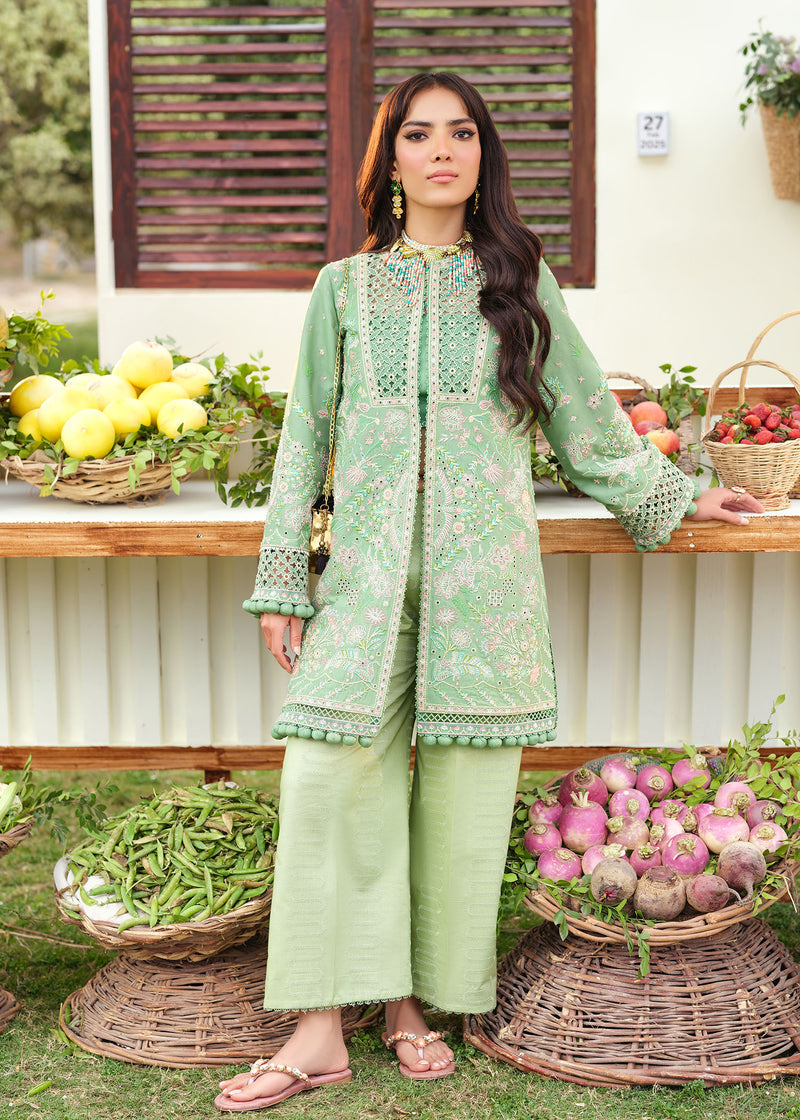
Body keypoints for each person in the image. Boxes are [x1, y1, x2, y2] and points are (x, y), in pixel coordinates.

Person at [215, 72, 763, 1112]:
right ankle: (320, 1027)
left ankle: (416, 1005)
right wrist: (285, 575)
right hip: (365, 580)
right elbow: (303, 444)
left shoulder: (517, 278)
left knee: (461, 805)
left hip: (484, 583)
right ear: (391, 162)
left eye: (459, 133)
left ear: (481, 155)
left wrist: (682, 495)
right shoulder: (342, 289)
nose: (439, 151)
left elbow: (585, 418)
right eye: (418, 134)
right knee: (327, 786)